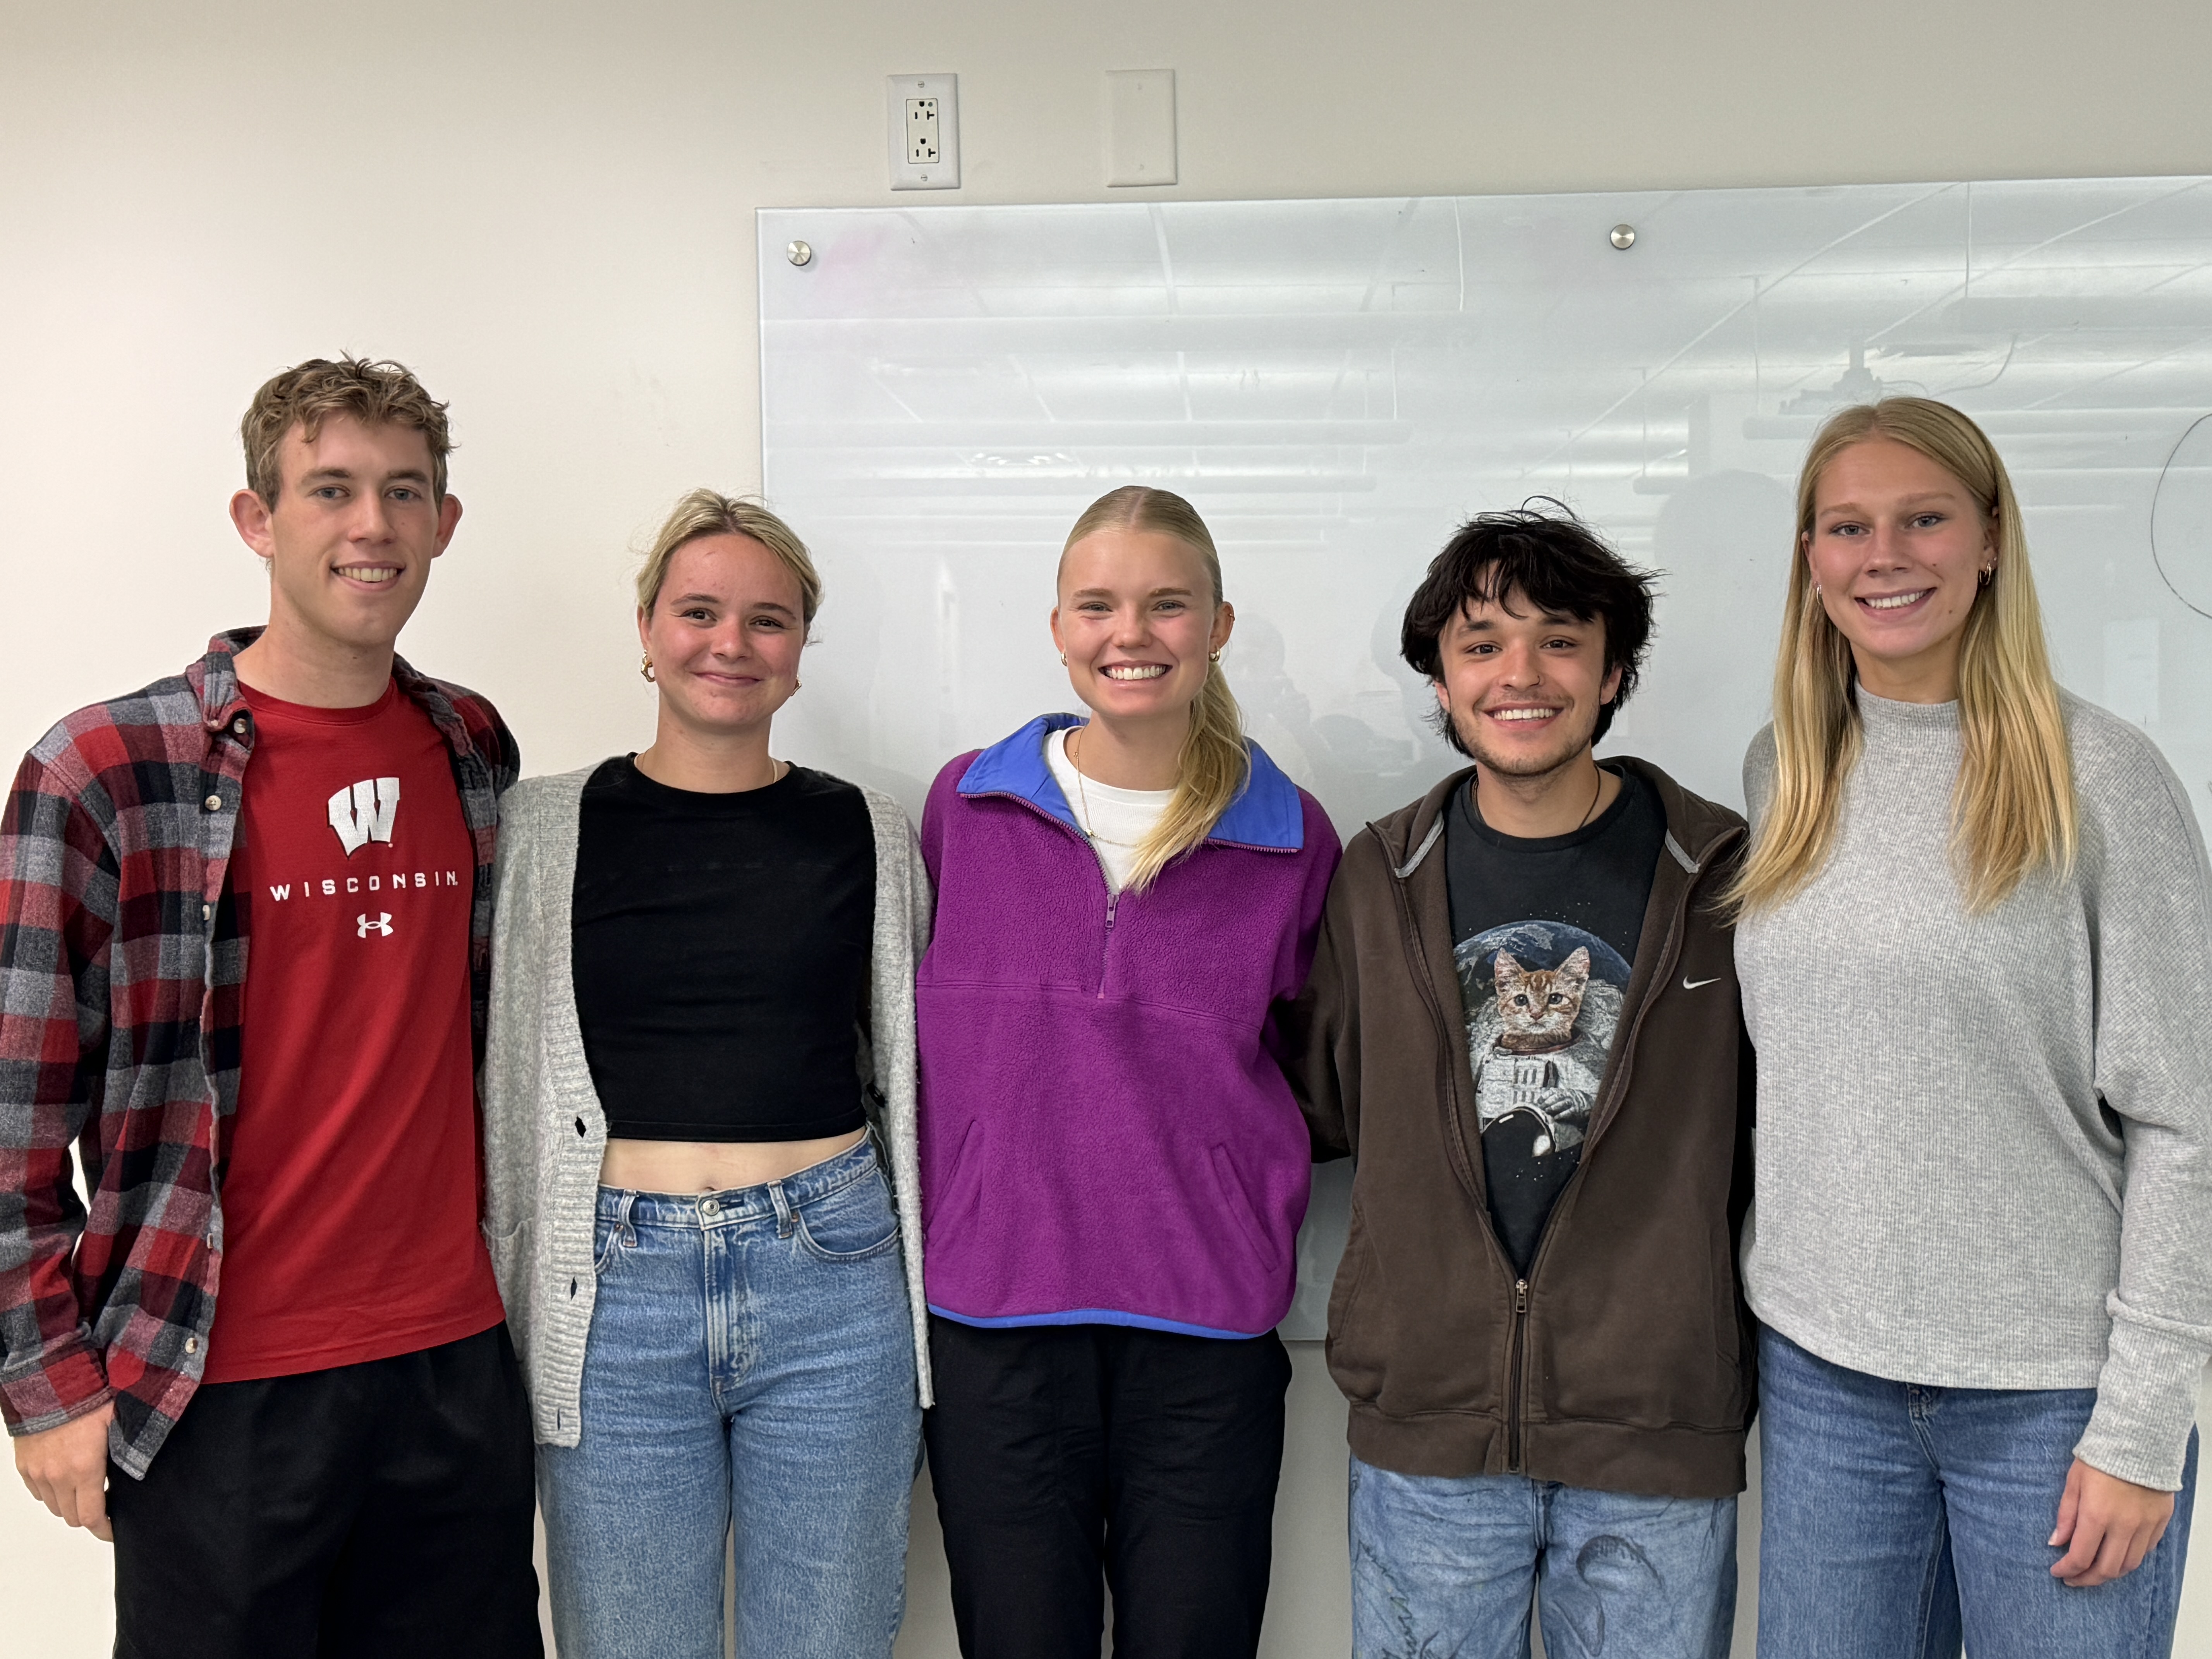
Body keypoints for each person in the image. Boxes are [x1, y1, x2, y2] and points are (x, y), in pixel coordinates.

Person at [0, 357, 539, 1654]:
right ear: (258, 520)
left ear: (444, 526)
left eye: (405, 493)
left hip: (454, 1369)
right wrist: (46, 1383)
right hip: (212, 1383)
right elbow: (15, 1113)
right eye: (332, 489)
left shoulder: (472, 745)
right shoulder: (105, 770)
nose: (373, 526)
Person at [1732, 397, 2212, 1657]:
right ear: (1810, 556)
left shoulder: (2099, 780)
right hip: (1825, 1376)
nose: (1883, 555)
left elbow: (2187, 1121)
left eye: (1924, 518)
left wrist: (2144, 1420)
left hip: (2051, 1398)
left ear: (1990, 539)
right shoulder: (1785, 774)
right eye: (1848, 526)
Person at [1288, 507, 1756, 1659]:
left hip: (1654, 1429)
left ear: (1613, 671)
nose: (1520, 674)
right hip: (1431, 1436)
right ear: (1441, 683)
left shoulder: (1726, 874)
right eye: (1482, 643)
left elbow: (1777, 1127)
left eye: (1559, 638)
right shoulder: (1377, 874)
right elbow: (1324, 1105)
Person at [481, 490, 930, 1659]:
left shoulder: (871, 832)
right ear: (645, 630)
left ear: (798, 653)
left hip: (832, 1277)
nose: (731, 644)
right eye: (698, 612)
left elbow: (911, 1073)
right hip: (609, 1287)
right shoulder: (536, 829)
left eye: (768, 620)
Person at [916, 484, 1340, 1659]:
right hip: (996, 1318)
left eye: (1167, 605)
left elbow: (1320, 1066)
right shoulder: (966, 806)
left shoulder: (1292, 837)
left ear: (1219, 625)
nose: (1130, 634)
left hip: (1203, 1332)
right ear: (1057, 627)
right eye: (1097, 605)